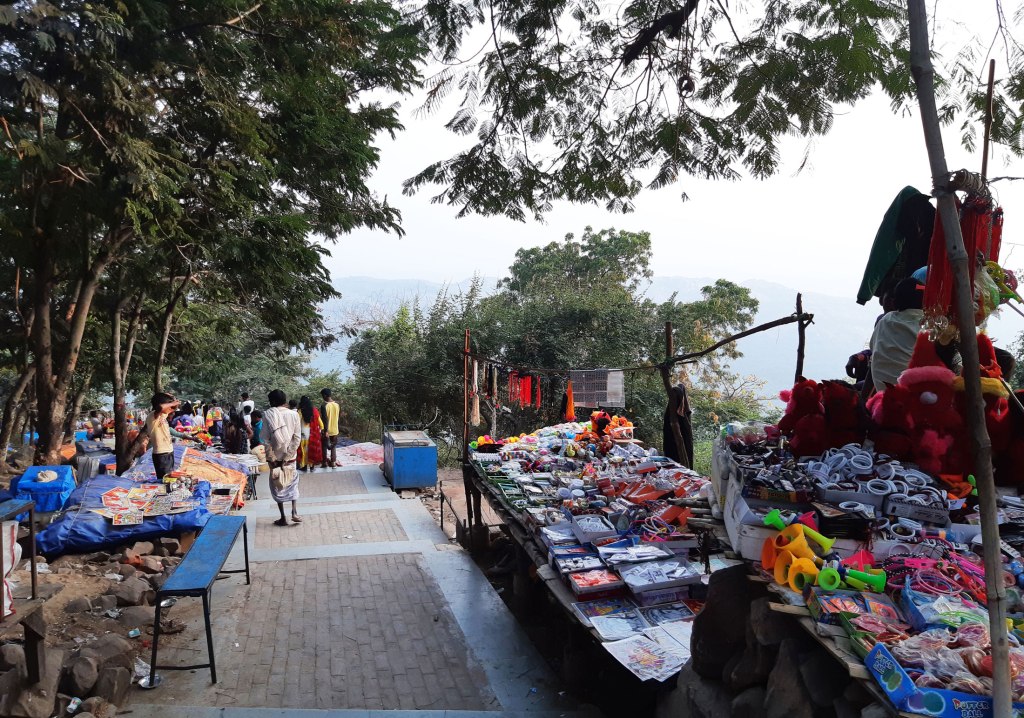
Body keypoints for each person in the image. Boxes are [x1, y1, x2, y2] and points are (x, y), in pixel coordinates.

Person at [869, 278, 925, 394]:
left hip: (884, 395)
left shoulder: (884, 321)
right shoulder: (929, 326)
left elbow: (873, 350)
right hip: (916, 398)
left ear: (894, 302)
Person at [261, 389, 302, 526]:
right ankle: (294, 512)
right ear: (285, 400)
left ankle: (283, 517)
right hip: (290, 458)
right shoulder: (294, 414)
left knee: (277, 485)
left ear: (272, 401)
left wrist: (272, 458)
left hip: (275, 459)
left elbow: (265, 440)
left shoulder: (268, 415)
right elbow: (297, 438)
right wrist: (288, 455)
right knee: (293, 483)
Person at [145, 392, 190, 480]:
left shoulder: (163, 415)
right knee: (165, 479)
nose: (170, 409)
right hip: (161, 454)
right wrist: (173, 403)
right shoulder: (153, 416)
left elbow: (173, 408)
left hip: (169, 451)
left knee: (170, 478)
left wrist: (173, 400)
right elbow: (160, 407)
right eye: (168, 405)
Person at [663, 385, 694, 468]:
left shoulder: (684, 416)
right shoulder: (669, 414)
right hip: (671, 448)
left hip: (684, 450)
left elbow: (687, 437)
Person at [296, 396, 324, 471]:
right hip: (312, 433)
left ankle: (304, 466)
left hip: (303, 433)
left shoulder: (299, 411)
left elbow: (297, 422)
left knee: (304, 449)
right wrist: (321, 429)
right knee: (311, 449)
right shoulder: (314, 410)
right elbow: (320, 422)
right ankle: (312, 467)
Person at [320, 388, 340, 468]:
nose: (322, 397)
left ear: (325, 395)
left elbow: (325, 419)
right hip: (335, 429)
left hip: (327, 430)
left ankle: (324, 463)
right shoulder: (337, 405)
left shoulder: (324, 405)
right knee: (333, 446)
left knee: (324, 446)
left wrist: (325, 431)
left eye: (322, 395)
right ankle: (333, 463)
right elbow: (338, 417)